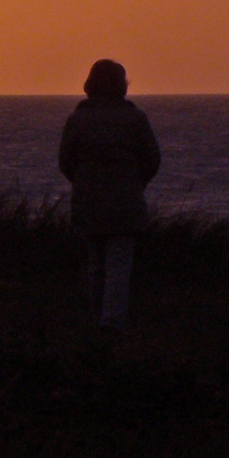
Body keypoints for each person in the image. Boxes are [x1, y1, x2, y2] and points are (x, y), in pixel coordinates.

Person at [59, 59, 161, 331]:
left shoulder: (77, 120)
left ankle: (98, 318)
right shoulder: (135, 120)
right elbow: (152, 159)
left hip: (88, 203)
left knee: (96, 264)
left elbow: (65, 162)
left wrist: (83, 182)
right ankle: (113, 322)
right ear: (121, 86)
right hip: (126, 203)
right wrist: (135, 183)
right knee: (119, 264)